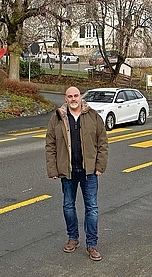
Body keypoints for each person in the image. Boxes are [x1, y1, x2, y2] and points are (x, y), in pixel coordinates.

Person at [45, 86, 109, 261]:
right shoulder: (57, 118)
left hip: (89, 171)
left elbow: (102, 142)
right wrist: (53, 169)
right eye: (70, 96)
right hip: (68, 172)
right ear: (65, 99)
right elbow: (50, 145)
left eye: (76, 95)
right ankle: (73, 238)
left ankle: (92, 244)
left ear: (80, 97)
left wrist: (99, 166)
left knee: (92, 208)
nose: (73, 99)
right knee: (68, 206)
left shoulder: (93, 116)